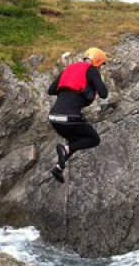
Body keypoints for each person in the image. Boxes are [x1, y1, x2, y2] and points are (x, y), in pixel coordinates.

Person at [47, 47, 109, 183]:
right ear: (98, 62)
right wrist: (92, 84)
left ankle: (58, 168)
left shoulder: (69, 69)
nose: (100, 69)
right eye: (101, 66)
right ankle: (65, 149)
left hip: (54, 118)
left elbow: (51, 90)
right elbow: (104, 94)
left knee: (76, 141)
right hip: (69, 118)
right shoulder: (91, 70)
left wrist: (68, 91)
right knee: (94, 139)